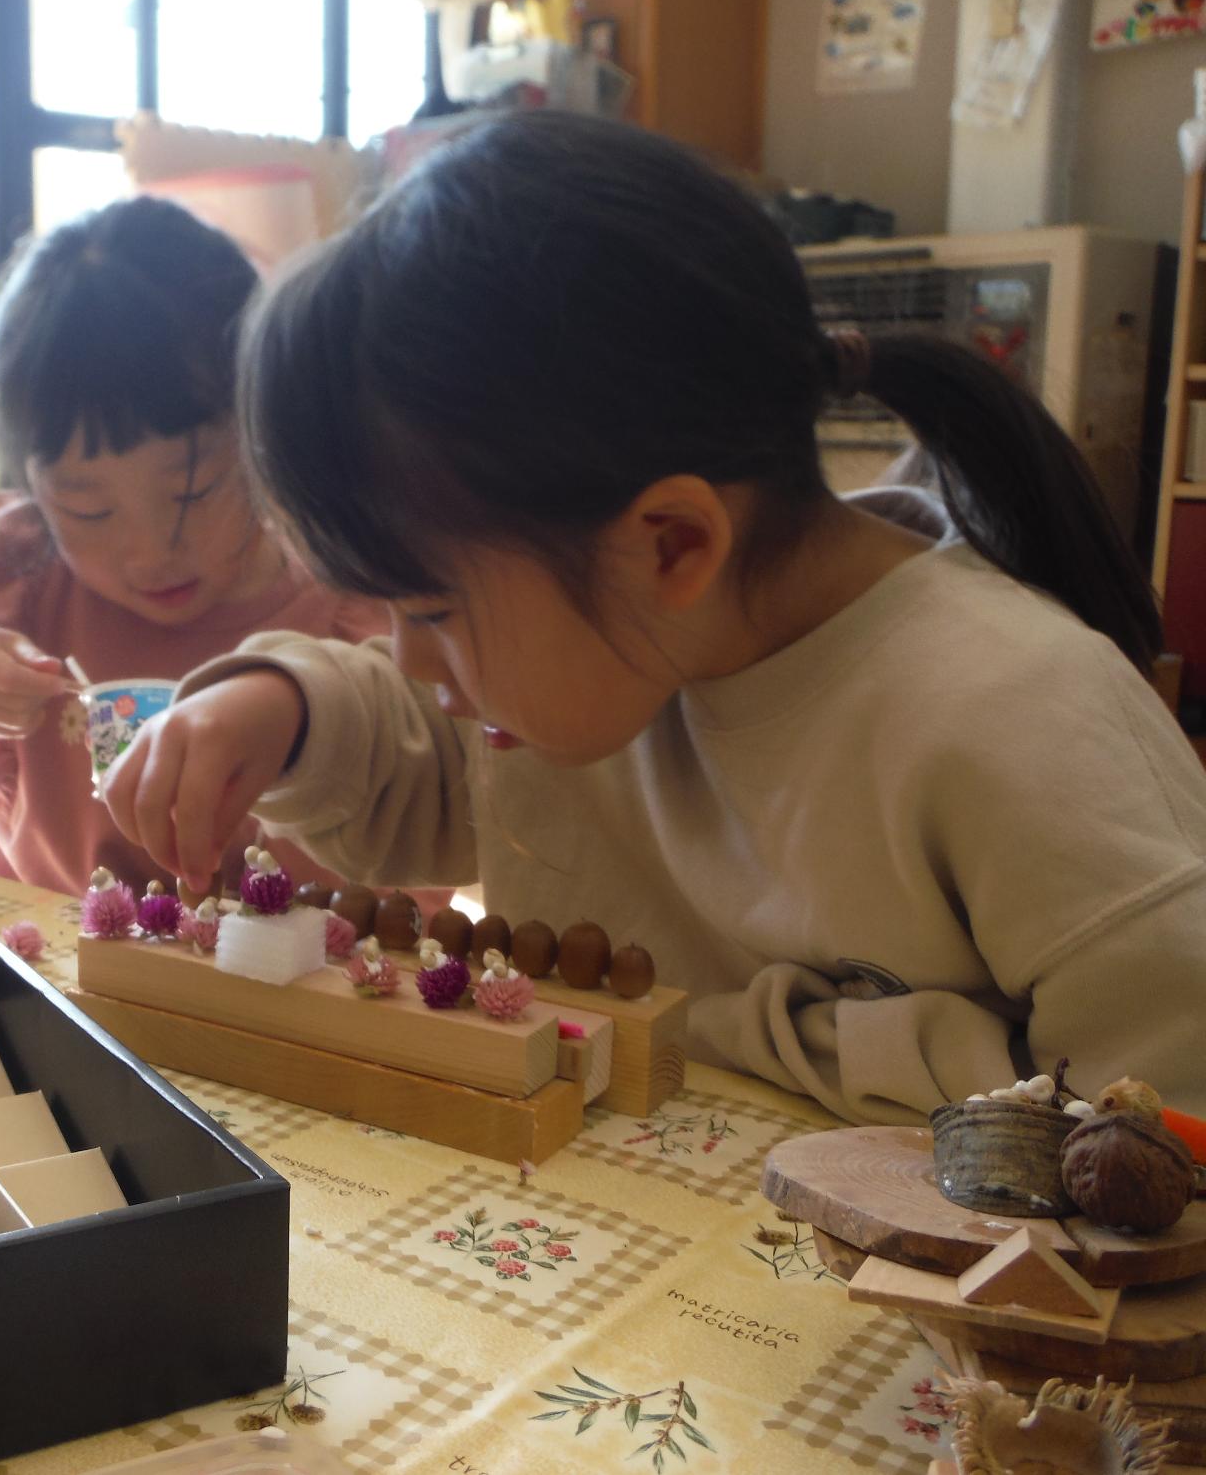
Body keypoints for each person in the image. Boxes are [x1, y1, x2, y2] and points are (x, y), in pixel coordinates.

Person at [99, 112, 1206, 1123]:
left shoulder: (1018, 721)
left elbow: (1153, 1137)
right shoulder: (604, 651)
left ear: (669, 544)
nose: (414, 661)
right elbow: (421, 762)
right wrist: (278, 709)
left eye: (429, 607)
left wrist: (730, 1029)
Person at [0, 196, 385, 896]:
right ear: (30, 483)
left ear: (265, 432)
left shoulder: (350, 591)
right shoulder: (9, 569)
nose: (149, 552)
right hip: (53, 985)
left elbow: (434, 814)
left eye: (192, 493)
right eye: (87, 508)